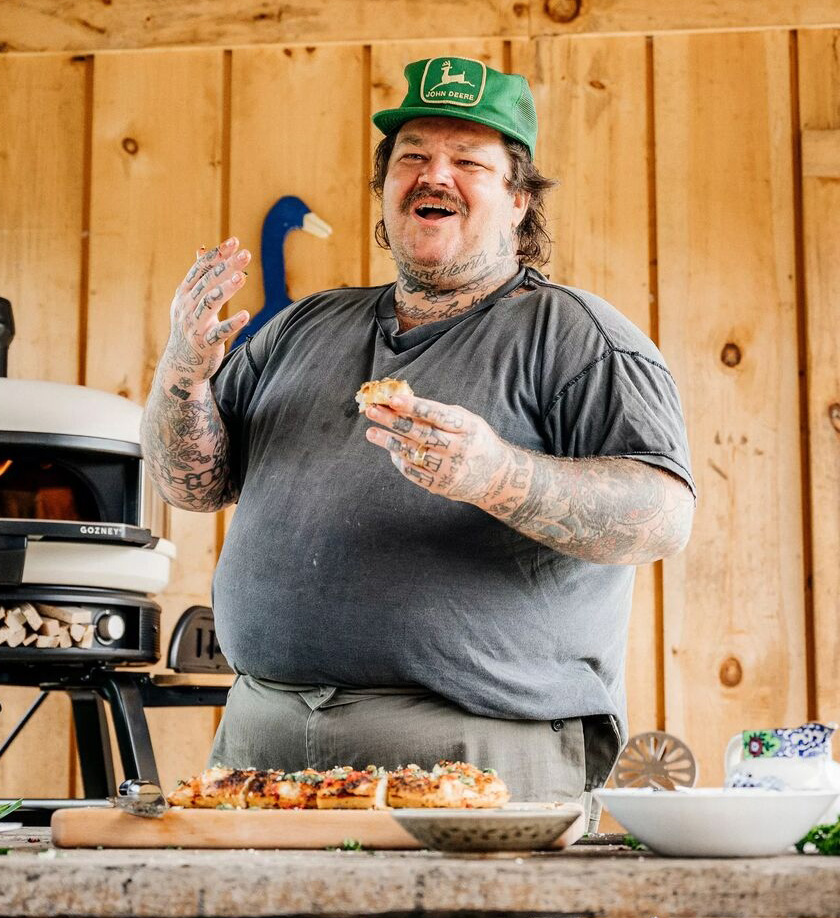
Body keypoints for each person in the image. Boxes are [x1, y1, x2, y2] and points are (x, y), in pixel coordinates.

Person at [141, 56, 695, 824]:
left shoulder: (580, 338)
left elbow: (663, 517)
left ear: (518, 199)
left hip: (480, 760)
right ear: (386, 189)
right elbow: (191, 485)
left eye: (469, 161)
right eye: (413, 158)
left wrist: (499, 476)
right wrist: (183, 377)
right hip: (257, 755)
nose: (436, 176)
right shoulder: (302, 327)